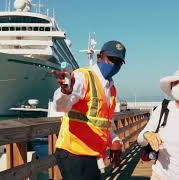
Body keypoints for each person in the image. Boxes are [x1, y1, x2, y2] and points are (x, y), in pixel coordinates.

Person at [52, 40, 126, 179]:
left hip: (93, 155)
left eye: (119, 62)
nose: (114, 64)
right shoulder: (82, 76)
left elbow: (102, 125)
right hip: (74, 154)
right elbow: (60, 107)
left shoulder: (111, 88)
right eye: (111, 59)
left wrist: (115, 140)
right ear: (99, 57)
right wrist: (66, 92)